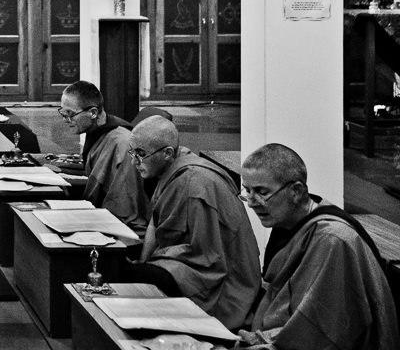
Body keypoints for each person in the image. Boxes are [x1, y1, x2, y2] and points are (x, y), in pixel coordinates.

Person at [238, 143, 399, 350]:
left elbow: (324, 327)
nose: (251, 202)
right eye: (248, 191)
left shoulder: (333, 240)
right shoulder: (286, 222)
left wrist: (263, 340)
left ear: (296, 191)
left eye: (261, 192)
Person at [125, 116, 260, 330]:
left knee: (134, 275)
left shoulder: (195, 184)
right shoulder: (174, 168)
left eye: (141, 154)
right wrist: (144, 260)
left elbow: (206, 255)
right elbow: (157, 223)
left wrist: (150, 264)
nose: (134, 162)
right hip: (194, 259)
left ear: (168, 153)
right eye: (132, 153)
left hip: (221, 280)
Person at [58, 81, 147, 233]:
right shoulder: (96, 132)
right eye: (63, 113)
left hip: (119, 225)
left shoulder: (122, 144)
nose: (66, 120)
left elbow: (126, 206)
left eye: (70, 114)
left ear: (93, 113)